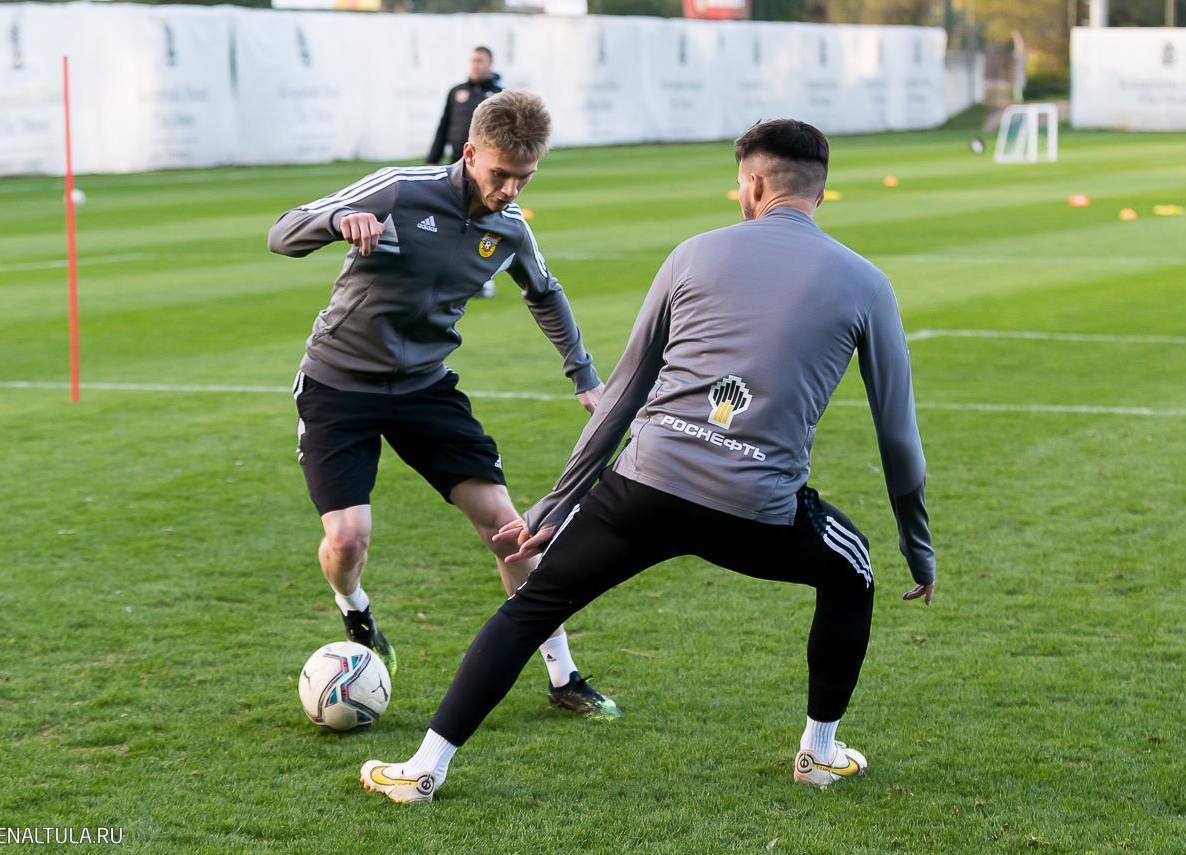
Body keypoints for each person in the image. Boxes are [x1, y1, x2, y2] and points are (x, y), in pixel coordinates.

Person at [359, 119, 937, 803]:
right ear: (819, 189)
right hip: (754, 509)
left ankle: (424, 767)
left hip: (644, 488)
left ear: (754, 184)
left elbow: (624, 392)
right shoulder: (867, 283)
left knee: (531, 608)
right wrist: (917, 547)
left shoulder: (693, 253)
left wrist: (557, 503)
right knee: (852, 572)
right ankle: (818, 753)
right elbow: (898, 436)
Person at [267, 90, 621, 719]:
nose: (510, 190)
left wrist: (584, 376)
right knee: (347, 540)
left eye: (525, 177)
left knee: (512, 532)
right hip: (338, 384)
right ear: (469, 152)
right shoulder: (400, 189)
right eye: (501, 174)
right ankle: (355, 609)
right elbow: (281, 233)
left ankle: (563, 676)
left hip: (424, 387)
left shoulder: (511, 227)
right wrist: (337, 221)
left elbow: (546, 292)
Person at [426, 46, 503, 167]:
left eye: (480, 61)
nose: (475, 65)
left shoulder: (500, 94)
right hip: (456, 160)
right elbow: (444, 126)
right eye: (473, 60)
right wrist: (432, 159)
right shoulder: (456, 91)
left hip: (485, 163)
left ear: (490, 64)